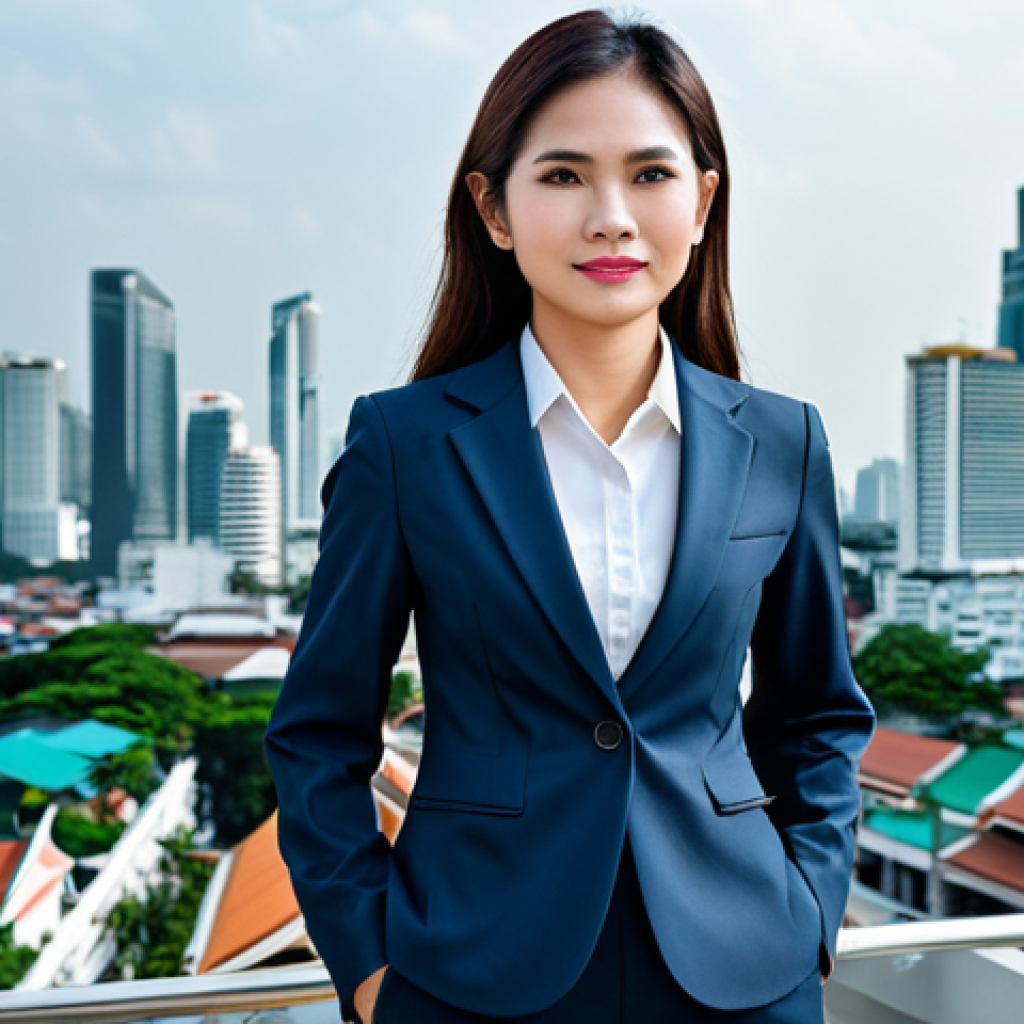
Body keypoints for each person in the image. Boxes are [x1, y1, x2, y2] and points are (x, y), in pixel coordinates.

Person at [263, 9, 877, 1024]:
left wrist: (808, 913)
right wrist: (369, 966)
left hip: (742, 970)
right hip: (468, 970)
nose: (610, 216)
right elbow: (319, 734)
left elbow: (816, 716)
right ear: (493, 209)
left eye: (649, 174)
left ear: (703, 201)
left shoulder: (784, 443)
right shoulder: (405, 445)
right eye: (561, 176)